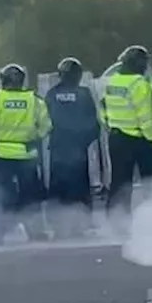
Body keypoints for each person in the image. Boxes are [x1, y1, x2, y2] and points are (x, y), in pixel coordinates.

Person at [0, 64, 51, 242]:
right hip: (28, 155)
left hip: (2, 155)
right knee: (31, 196)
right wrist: (33, 137)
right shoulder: (35, 100)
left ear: (3, 81)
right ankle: (34, 232)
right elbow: (46, 127)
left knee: (1, 195)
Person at [102, 45, 152, 217]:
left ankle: (116, 218)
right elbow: (145, 116)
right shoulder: (139, 84)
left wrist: (110, 126)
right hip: (138, 138)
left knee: (119, 181)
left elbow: (103, 109)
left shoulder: (112, 82)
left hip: (116, 136)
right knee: (150, 180)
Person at [43, 57, 101, 229]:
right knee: (80, 186)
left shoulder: (52, 94)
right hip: (78, 149)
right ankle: (82, 222)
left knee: (57, 187)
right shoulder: (84, 94)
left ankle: (56, 223)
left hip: (58, 148)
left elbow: (45, 120)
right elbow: (93, 122)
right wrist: (86, 140)